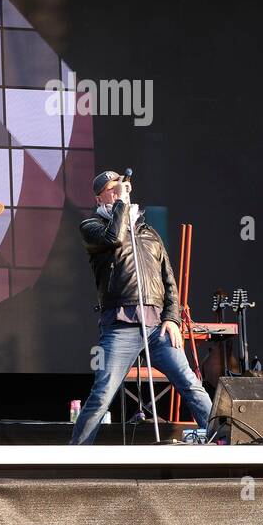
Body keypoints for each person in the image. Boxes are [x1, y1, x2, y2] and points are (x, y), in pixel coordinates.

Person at [69, 171, 213, 445]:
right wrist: (121, 204)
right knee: (102, 394)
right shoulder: (91, 226)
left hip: (157, 328)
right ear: (99, 196)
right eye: (111, 190)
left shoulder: (149, 233)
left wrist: (172, 319)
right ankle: (76, 454)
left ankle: (226, 443)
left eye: (120, 188)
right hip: (120, 327)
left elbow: (168, 279)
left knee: (191, 384)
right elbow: (113, 238)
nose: (118, 192)